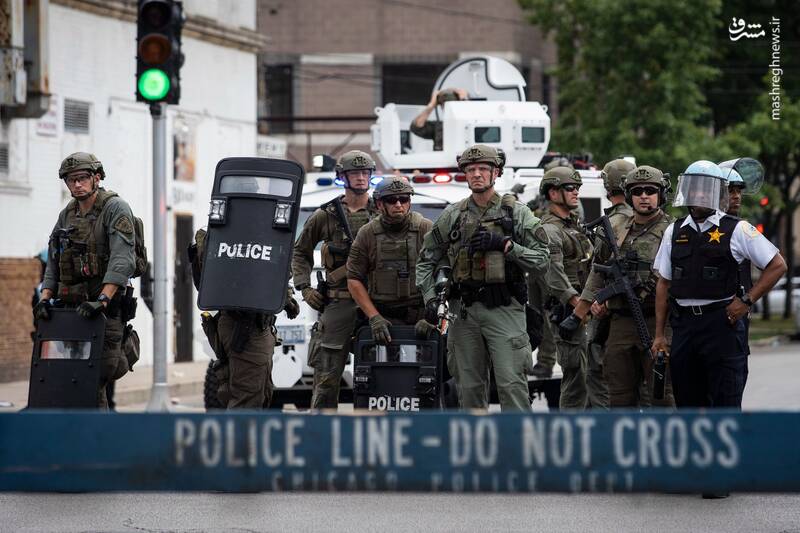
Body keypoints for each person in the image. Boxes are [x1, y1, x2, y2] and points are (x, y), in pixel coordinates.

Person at [417, 144, 550, 411]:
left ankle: (518, 436)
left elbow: (542, 260)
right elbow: (425, 260)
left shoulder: (516, 213)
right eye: (471, 169)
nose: (476, 174)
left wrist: (506, 246)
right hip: (463, 312)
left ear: (496, 173)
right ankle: (474, 438)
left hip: (505, 309)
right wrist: (431, 298)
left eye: (483, 169)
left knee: (511, 385)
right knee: (468, 389)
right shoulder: (453, 215)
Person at [651, 160, 786, 410]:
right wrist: (659, 335)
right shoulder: (674, 231)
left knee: (725, 405)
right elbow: (664, 283)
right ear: (687, 191)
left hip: (721, 325)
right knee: (687, 406)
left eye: (707, 189)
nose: (700, 194)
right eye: (695, 188)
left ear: (716, 192)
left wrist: (746, 301)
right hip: (684, 327)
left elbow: (777, 265)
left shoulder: (737, 229)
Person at [567, 165, 675, 408]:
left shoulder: (673, 231)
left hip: (658, 322)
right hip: (621, 322)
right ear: (628, 195)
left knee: (661, 394)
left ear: (661, 194)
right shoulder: (616, 229)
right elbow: (598, 270)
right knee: (619, 395)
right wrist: (586, 307)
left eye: (650, 190)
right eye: (637, 191)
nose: (644, 196)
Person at [33, 153, 135, 409]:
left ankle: (96, 432)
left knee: (94, 378)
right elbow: (55, 260)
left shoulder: (115, 209)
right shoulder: (67, 215)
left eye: (82, 178)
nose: (77, 184)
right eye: (71, 180)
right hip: (72, 313)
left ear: (96, 178)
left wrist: (103, 300)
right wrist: (44, 299)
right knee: (68, 380)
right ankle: (87, 431)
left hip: (103, 313)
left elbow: (123, 260)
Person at [292, 150, 380, 409]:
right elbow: (300, 252)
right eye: (355, 173)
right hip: (339, 302)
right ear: (343, 176)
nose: (361, 178)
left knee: (382, 373)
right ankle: (322, 428)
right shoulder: (326, 215)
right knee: (327, 376)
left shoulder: (382, 210)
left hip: (378, 303)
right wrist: (305, 288)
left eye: (365, 173)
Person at [190, 228, 299, 409]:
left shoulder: (232, 232)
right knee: (247, 399)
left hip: (246, 326)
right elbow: (260, 275)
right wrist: (285, 298)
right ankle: (239, 429)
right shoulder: (247, 231)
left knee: (258, 395)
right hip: (245, 327)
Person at [347, 177, 434, 346]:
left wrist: (432, 317)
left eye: (404, 199)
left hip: (421, 319)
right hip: (383, 319)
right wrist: (374, 317)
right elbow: (353, 278)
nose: (398, 204)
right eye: (392, 200)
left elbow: (443, 272)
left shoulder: (425, 228)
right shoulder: (367, 233)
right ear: (380, 204)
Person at [539, 166, 594, 409]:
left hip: (584, 308)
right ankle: (569, 429)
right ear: (553, 193)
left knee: (590, 376)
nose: (576, 192)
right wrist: (577, 304)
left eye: (577, 188)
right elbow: (553, 273)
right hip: (568, 311)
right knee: (576, 379)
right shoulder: (550, 229)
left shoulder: (572, 225)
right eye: (570, 188)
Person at [583, 158, 636, 408]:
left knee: (599, 375)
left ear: (608, 185)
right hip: (634, 310)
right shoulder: (642, 220)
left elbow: (596, 271)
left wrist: (587, 305)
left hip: (607, 310)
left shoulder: (612, 224)